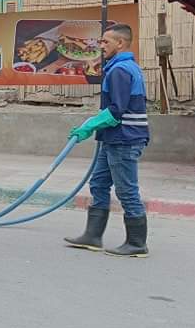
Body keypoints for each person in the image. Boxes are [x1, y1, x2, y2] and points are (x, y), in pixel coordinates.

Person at [64, 24, 150, 257]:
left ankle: (137, 243)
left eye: (105, 42)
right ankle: (92, 236)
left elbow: (116, 111)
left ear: (120, 43)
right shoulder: (122, 67)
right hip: (113, 138)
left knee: (126, 191)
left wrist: (89, 126)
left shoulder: (120, 70)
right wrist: (94, 126)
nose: (100, 46)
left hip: (124, 139)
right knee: (99, 183)